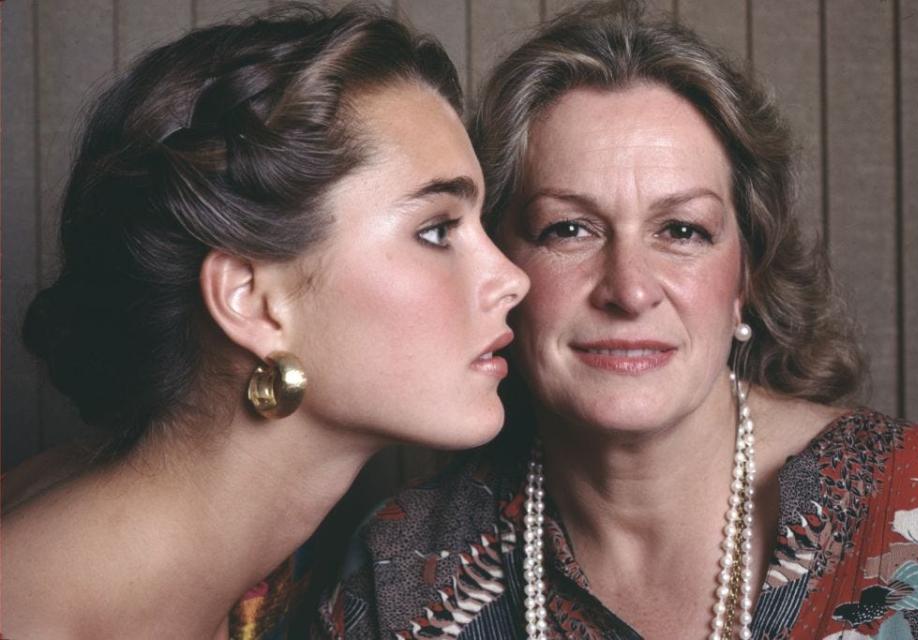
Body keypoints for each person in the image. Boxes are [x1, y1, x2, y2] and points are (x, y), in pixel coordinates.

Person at [318, 1, 918, 638]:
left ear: (745, 278)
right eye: (568, 229)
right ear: (499, 265)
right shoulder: (399, 574)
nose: (628, 289)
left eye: (681, 230)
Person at [1, 5, 529, 639]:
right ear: (251, 301)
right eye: (437, 230)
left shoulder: (245, 559)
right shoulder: (36, 607)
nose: (513, 279)